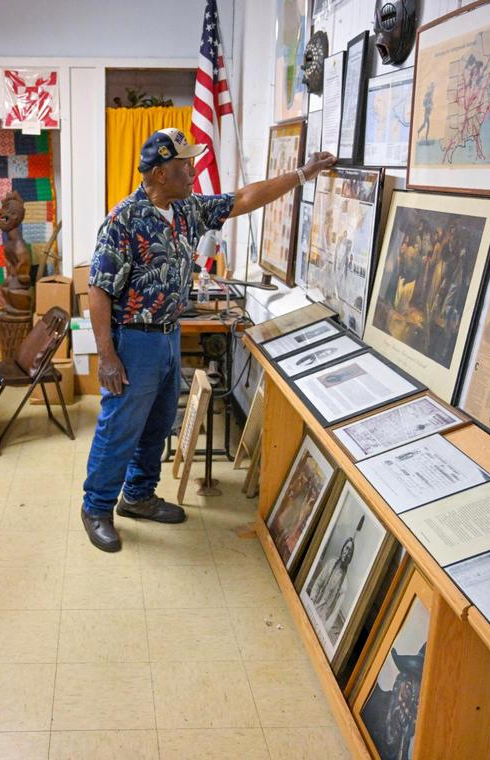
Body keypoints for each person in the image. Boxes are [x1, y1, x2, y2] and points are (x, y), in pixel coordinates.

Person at [81, 128, 335, 551]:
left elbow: (244, 198)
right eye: (185, 166)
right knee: (121, 425)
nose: (194, 172)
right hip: (134, 340)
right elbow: (98, 290)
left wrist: (302, 174)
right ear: (161, 173)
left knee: (159, 422)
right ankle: (96, 506)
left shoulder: (187, 210)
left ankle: (139, 496)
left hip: (168, 335)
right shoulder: (123, 220)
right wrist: (107, 356)